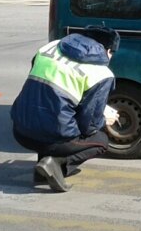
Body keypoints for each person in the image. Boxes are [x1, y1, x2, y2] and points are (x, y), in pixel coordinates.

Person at [11, 26, 121, 192]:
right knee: (100, 140)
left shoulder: (50, 47)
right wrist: (105, 120)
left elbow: (45, 88)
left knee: (52, 112)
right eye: (112, 53)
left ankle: (42, 172)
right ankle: (56, 165)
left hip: (20, 129)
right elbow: (88, 126)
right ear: (107, 50)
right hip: (52, 135)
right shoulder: (101, 73)